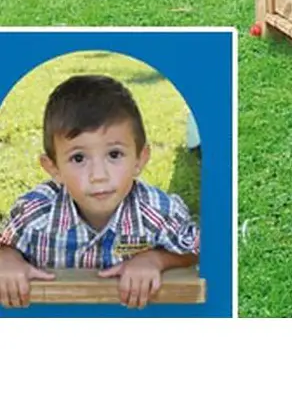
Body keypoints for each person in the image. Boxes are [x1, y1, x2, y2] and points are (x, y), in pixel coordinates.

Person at [0, 74, 199, 310]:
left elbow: (195, 250)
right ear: (53, 168)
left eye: (114, 154)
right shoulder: (33, 214)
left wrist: (155, 260)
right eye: (78, 158)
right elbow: (5, 244)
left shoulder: (159, 212)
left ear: (140, 159)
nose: (98, 175)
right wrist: (7, 260)